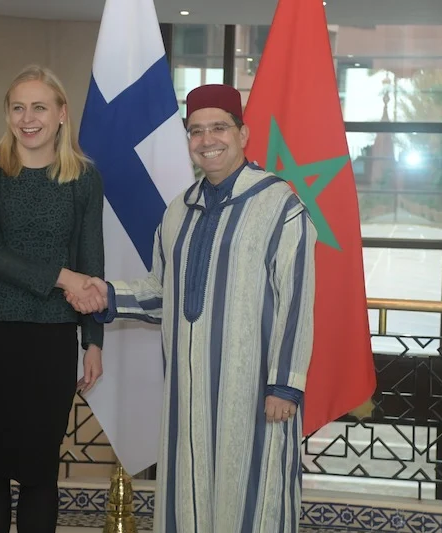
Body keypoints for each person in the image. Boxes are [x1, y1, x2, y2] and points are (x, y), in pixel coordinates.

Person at [67, 84, 317, 533]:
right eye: (196, 131)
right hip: (187, 394)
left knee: (253, 502)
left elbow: (296, 298)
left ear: (243, 133)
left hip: (255, 393)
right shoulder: (178, 212)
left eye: (219, 127)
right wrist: (104, 293)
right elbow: (162, 293)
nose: (207, 140)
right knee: (189, 501)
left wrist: (285, 384)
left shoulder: (280, 205)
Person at [0, 65, 107, 533]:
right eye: (18, 107)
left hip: (51, 336)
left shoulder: (84, 179)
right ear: (7, 115)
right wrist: (62, 276)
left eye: (39, 107)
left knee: (39, 469)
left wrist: (93, 341)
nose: (27, 118)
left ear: (61, 114)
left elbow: (91, 262)